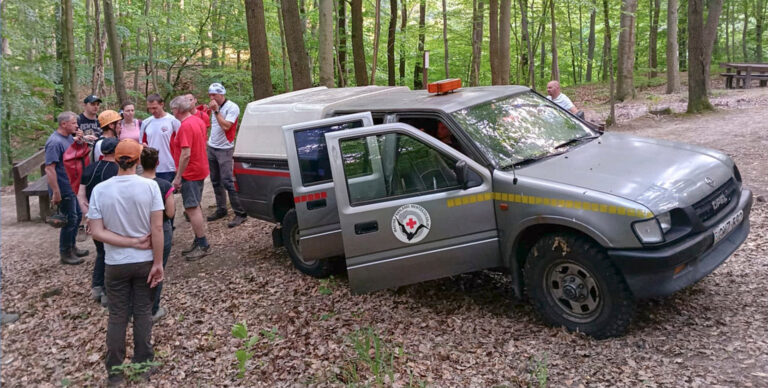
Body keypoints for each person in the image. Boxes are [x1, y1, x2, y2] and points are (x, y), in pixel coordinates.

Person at [86, 139, 164, 386]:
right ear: (138, 160)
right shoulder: (149, 187)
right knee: (142, 312)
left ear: (114, 158)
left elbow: (96, 232)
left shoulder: (100, 190)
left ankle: (116, 372)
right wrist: (158, 262)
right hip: (145, 261)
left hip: (115, 263)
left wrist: (128, 243)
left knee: (117, 316)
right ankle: (142, 364)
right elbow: (158, 228)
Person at [78, 138, 120, 306]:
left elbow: (80, 195)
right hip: (110, 219)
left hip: (94, 218)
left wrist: (88, 216)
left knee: (101, 252)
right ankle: (107, 293)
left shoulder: (89, 168)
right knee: (112, 254)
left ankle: (97, 286)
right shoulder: (118, 170)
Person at [169, 96, 211, 261]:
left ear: (178, 110)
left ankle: (203, 244)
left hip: (191, 172)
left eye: (172, 109)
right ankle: (197, 239)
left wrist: (178, 176)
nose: (172, 112)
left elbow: (186, 153)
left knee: (192, 208)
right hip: (199, 167)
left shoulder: (185, 126)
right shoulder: (197, 120)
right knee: (195, 206)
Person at [45, 111, 90, 265]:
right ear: (63, 124)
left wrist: (80, 140)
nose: (77, 125)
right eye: (73, 123)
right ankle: (65, 252)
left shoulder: (68, 137)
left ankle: (72, 247)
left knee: (76, 216)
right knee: (69, 220)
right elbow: (49, 169)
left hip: (72, 185)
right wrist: (56, 192)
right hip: (63, 187)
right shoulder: (54, 142)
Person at [140, 147, 175, 321]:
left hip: (140, 229)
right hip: (162, 228)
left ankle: (137, 308)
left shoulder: (135, 184)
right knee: (158, 268)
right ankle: (153, 309)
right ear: (158, 163)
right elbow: (170, 212)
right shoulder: (164, 185)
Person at [206, 83, 246, 228]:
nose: (211, 98)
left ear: (222, 94)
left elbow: (226, 126)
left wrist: (216, 111)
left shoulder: (232, 107)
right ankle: (221, 209)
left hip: (225, 149)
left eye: (214, 95)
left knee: (228, 181)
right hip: (212, 147)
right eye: (210, 95)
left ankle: (240, 213)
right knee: (215, 180)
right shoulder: (213, 107)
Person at [140, 94, 180, 183]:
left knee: (167, 195)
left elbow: (180, 145)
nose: (152, 111)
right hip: (151, 167)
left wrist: (178, 166)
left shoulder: (173, 121)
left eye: (154, 108)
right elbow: (142, 143)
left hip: (169, 166)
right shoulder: (146, 122)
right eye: (149, 108)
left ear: (162, 104)